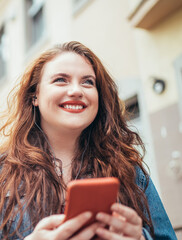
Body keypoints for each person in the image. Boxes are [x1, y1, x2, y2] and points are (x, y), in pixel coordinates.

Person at [0, 41, 177, 240]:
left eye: (88, 82)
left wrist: (142, 238)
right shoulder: (3, 174)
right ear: (35, 96)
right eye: (60, 80)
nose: (77, 90)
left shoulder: (129, 170)